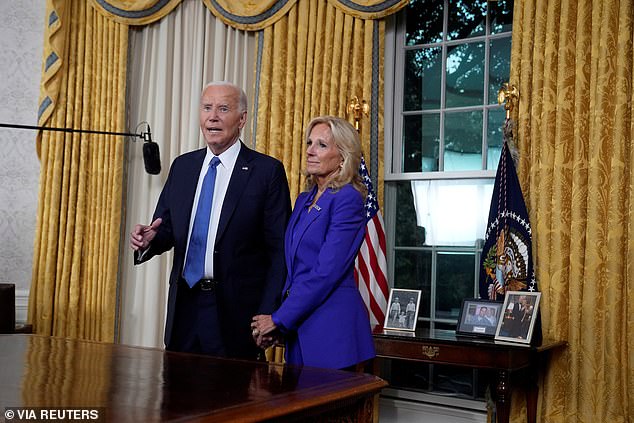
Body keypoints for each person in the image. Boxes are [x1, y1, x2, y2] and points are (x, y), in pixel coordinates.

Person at [129, 81, 291, 360]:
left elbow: (280, 252)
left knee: (234, 401)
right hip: (184, 310)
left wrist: (269, 313)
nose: (212, 116)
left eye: (223, 109)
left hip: (236, 316)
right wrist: (150, 239)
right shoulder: (183, 166)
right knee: (178, 400)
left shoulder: (267, 172)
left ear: (241, 119)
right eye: (207, 108)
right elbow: (165, 227)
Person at [250, 116, 375, 370]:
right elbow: (294, 271)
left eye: (321, 145)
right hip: (301, 331)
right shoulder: (304, 201)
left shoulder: (348, 199)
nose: (310, 150)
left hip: (332, 334)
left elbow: (325, 273)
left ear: (343, 156)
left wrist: (278, 318)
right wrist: (281, 326)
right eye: (309, 143)